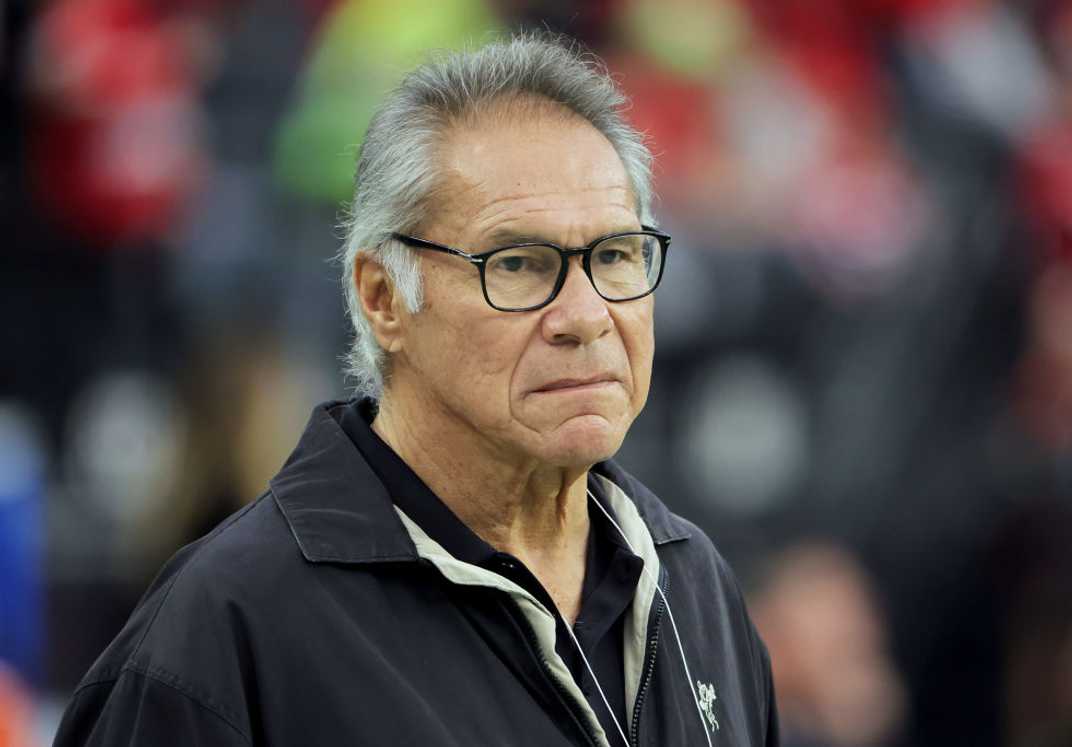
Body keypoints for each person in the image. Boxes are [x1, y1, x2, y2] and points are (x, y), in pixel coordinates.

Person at [54, 33, 778, 747]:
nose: (587, 316)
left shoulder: (695, 585)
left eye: (616, 254)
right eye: (519, 263)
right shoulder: (223, 632)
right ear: (382, 297)